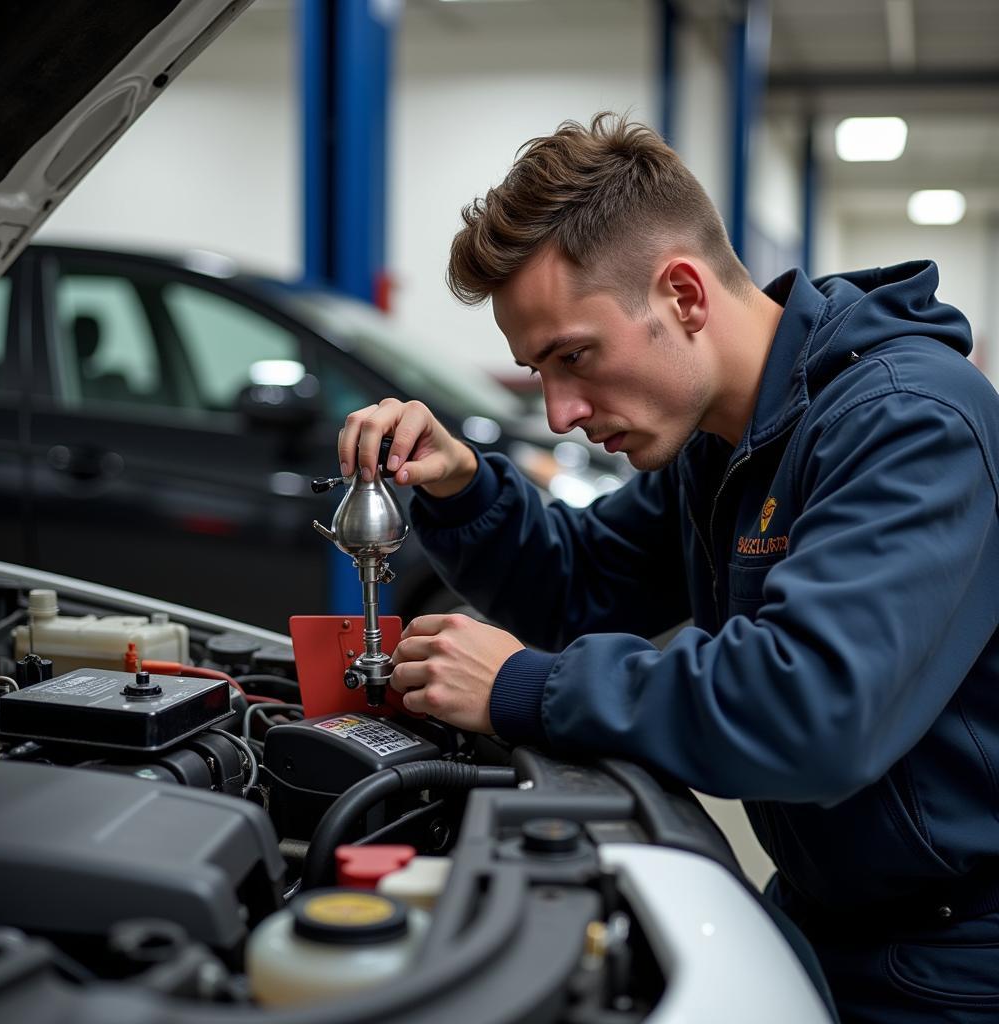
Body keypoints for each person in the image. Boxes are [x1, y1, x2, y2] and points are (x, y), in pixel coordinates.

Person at [337, 113, 999, 1023]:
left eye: (576, 356)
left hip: (956, 960)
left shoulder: (908, 422)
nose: (563, 410)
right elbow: (580, 585)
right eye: (539, 372)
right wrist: (461, 491)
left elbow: (814, 708)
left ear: (683, 294)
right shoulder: (722, 443)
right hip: (824, 915)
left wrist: (526, 687)